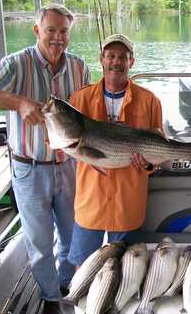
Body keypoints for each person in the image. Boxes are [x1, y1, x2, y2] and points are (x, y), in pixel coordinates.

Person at [0, 4, 90, 314]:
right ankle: (50, 297)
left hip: (68, 165)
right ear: (37, 31)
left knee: (71, 233)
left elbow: (86, 119)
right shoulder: (17, 63)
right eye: (51, 31)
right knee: (38, 239)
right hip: (28, 168)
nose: (57, 38)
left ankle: (65, 283)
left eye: (64, 32)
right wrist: (17, 102)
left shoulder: (79, 68)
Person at [67, 33, 162, 266]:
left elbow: (158, 148)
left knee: (127, 268)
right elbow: (60, 139)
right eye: (111, 56)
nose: (116, 62)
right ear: (101, 59)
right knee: (83, 266)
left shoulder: (150, 100)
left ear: (132, 62)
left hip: (127, 202)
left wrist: (148, 164)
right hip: (91, 201)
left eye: (123, 56)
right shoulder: (79, 99)